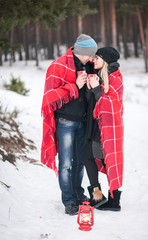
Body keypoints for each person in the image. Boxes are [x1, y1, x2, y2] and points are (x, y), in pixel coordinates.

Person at [41, 34, 97, 215]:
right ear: (83, 51)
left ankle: (78, 194)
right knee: (66, 163)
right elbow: (50, 96)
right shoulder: (58, 66)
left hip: (83, 120)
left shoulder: (90, 66)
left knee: (80, 162)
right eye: (91, 54)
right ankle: (69, 201)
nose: (92, 57)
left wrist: (90, 87)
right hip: (65, 121)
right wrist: (74, 86)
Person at [83, 46, 124, 211]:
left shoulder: (116, 78)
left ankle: (108, 199)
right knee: (99, 159)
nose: (94, 60)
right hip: (97, 125)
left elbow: (112, 106)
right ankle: (104, 198)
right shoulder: (99, 75)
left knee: (106, 161)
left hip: (108, 127)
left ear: (105, 61)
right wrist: (89, 87)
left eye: (97, 58)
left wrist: (98, 89)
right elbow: (92, 101)